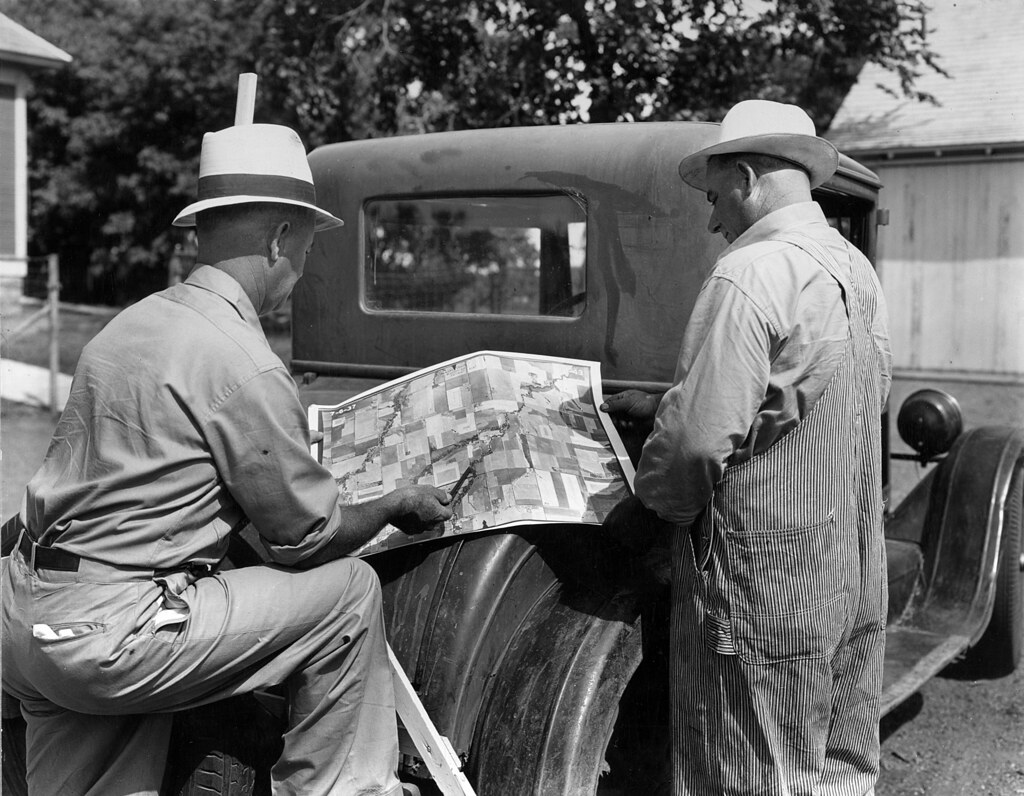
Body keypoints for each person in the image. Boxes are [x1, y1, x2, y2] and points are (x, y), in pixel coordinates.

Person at [1, 121, 452, 795]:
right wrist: (393, 503)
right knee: (349, 596)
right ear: (278, 239)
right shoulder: (243, 362)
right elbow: (306, 538)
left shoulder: (129, 324)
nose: (302, 267)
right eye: (304, 245)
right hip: (114, 636)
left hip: (25, 618)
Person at [602, 99, 892, 795]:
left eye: (713, 196)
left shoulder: (749, 273)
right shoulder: (854, 268)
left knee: (746, 766)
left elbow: (698, 447)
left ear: (748, 178)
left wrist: (639, 511)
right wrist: (664, 403)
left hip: (763, 582)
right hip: (844, 567)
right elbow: (813, 395)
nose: (711, 218)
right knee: (837, 765)